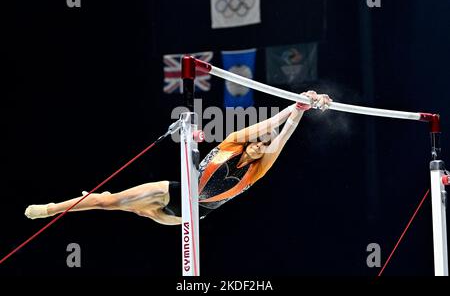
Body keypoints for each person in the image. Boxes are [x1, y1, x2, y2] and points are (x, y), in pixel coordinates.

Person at [25, 91, 332, 225]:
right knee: (109, 203)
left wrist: (299, 113)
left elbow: (283, 135)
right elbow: (270, 125)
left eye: (263, 146)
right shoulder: (233, 143)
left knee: (141, 213)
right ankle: (51, 209)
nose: (259, 145)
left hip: (190, 216)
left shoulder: (257, 171)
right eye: (257, 142)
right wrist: (297, 105)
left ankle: (120, 201)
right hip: (176, 190)